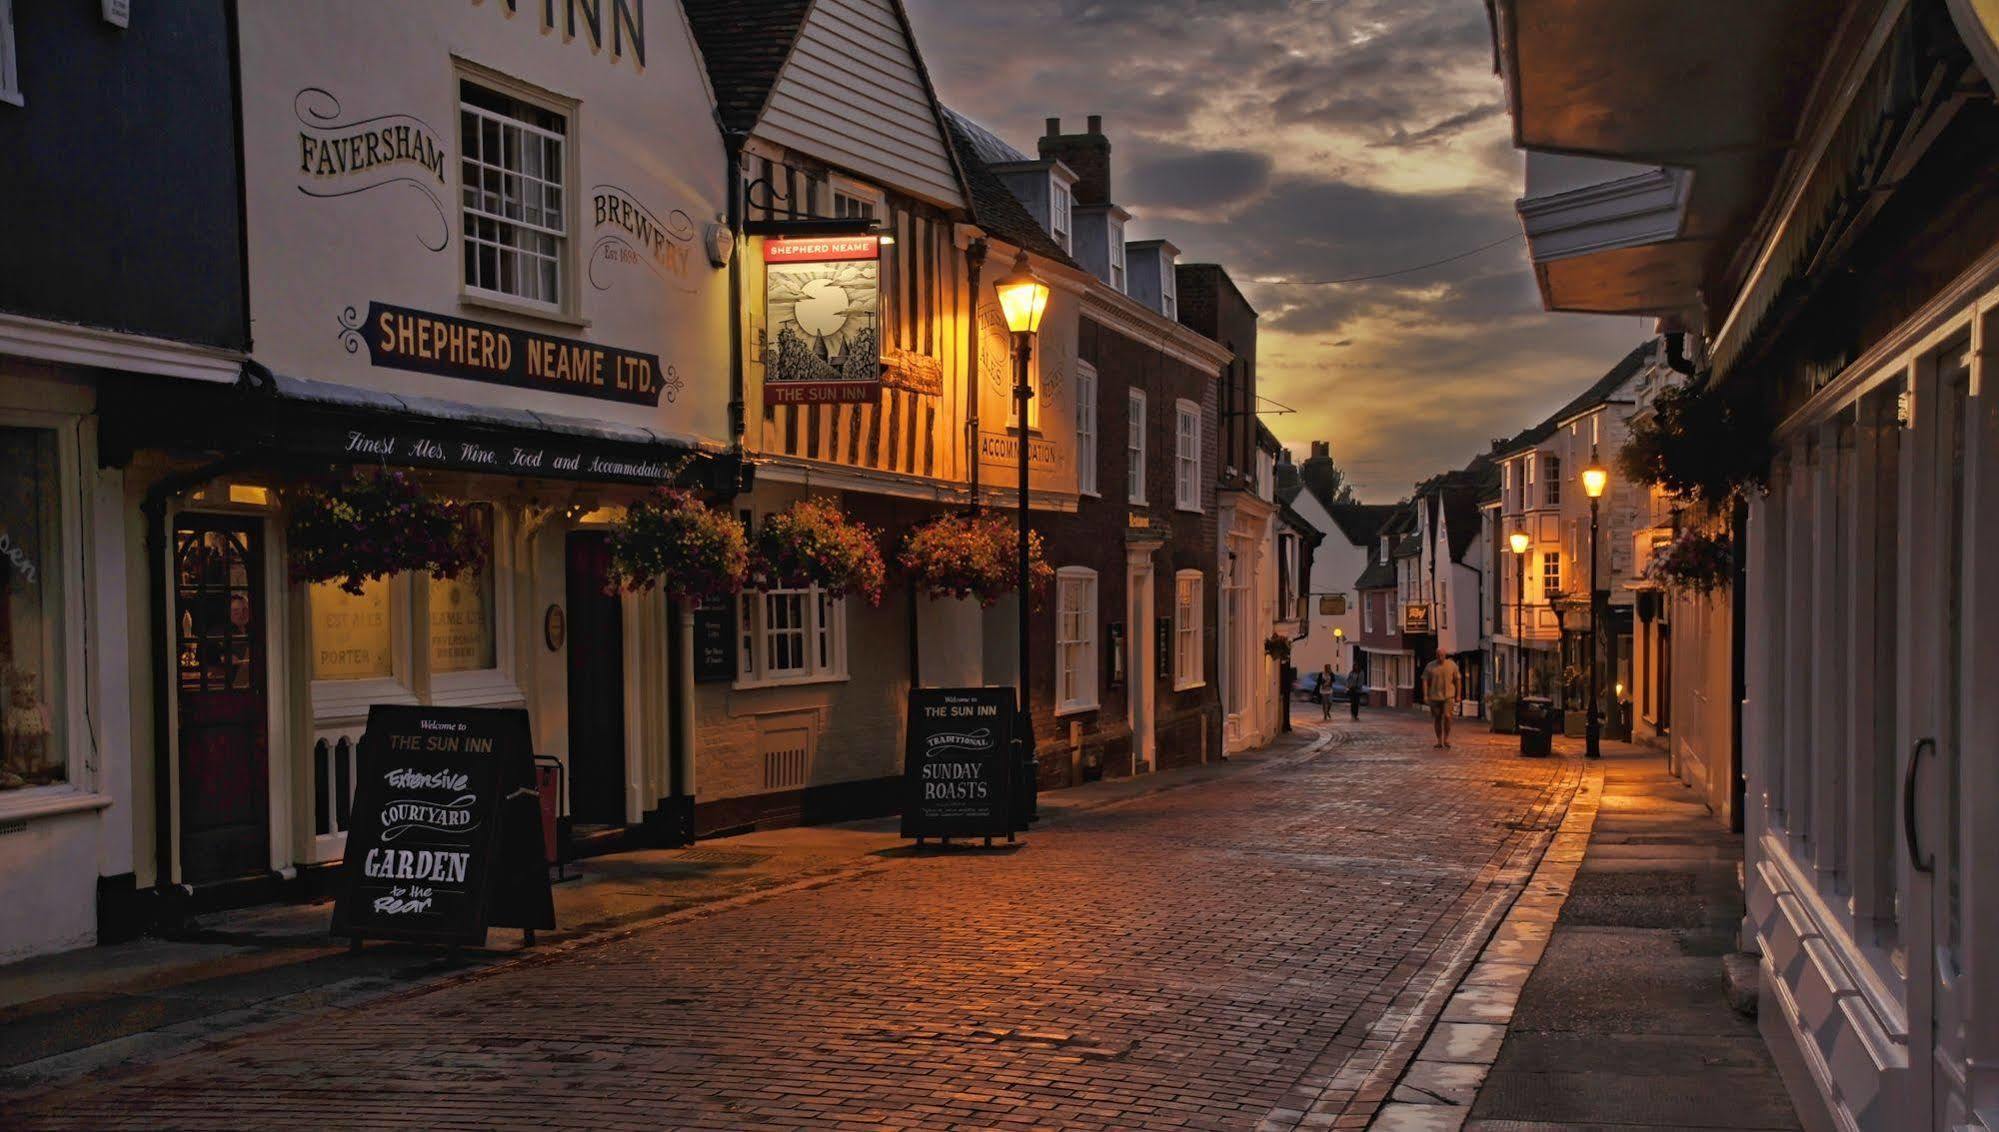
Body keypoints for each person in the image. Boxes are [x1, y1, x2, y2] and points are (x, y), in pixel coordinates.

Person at [1422, 654, 1463, 748]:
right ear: (1436, 656)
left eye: (1442, 655)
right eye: (1438, 655)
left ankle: (1446, 739)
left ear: (1445, 656)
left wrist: (1458, 695)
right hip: (1434, 696)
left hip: (1448, 696)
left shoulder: (1452, 665)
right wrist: (1425, 695)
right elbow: (1424, 680)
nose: (1440, 657)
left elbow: (1458, 680)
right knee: (1437, 718)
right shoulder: (1430, 666)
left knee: (1448, 716)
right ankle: (1439, 740)